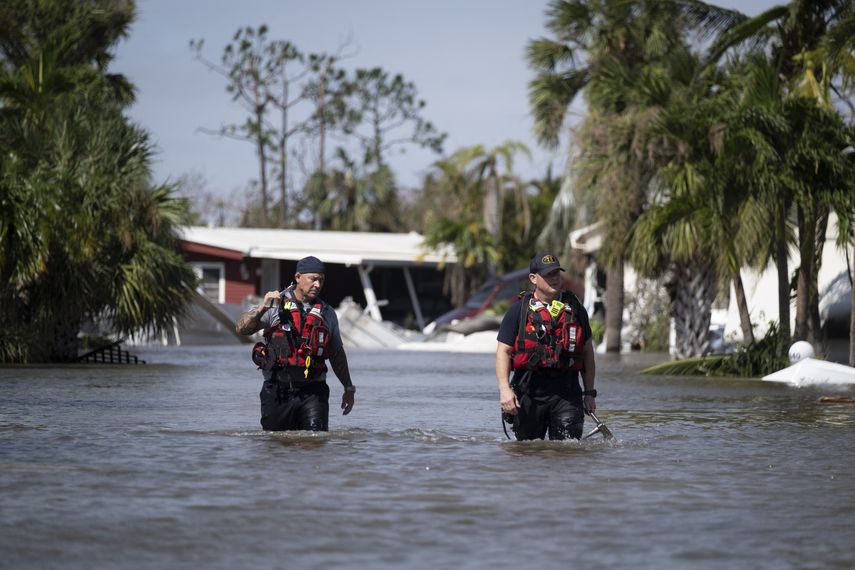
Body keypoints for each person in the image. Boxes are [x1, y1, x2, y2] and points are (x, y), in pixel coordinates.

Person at [235, 255, 356, 431]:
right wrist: (262, 308)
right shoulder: (275, 305)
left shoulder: (327, 313)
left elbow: (337, 354)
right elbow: (241, 328)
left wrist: (348, 388)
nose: (317, 284)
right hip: (277, 391)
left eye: (321, 280)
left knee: (315, 443)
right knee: (276, 445)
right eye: (313, 279)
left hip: (314, 391)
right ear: (298, 277)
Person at [495, 252, 597, 440]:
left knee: (568, 451)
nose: (554, 279)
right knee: (528, 452)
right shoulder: (518, 310)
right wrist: (504, 390)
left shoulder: (575, 309)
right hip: (529, 393)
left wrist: (589, 393)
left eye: (556, 273)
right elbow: (503, 351)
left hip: (567, 393)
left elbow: (587, 352)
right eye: (548, 274)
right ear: (533, 278)